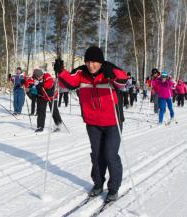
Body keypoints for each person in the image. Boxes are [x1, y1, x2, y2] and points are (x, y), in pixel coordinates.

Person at [58, 46, 128, 202]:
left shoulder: (109, 71)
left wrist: (112, 72)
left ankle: (114, 187)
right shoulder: (81, 74)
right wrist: (60, 71)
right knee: (96, 156)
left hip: (112, 123)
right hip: (93, 123)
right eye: (88, 61)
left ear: (101, 62)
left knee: (110, 155)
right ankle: (98, 183)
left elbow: (123, 81)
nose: (91, 65)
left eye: (95, 62)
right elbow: (68, 82)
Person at [29, 68, 62, 132]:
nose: (39, 78)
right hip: (42, 96)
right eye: (37, 77)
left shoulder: (47, 76)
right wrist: (31, 86)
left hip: (52, 95)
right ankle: (40, 126)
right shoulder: (34, 78)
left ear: (42, 74)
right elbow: (30, 82)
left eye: (40, 76)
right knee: (41, 111)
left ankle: (58, 124)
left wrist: (43, 85)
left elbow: (50, 84)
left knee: (53, 110)